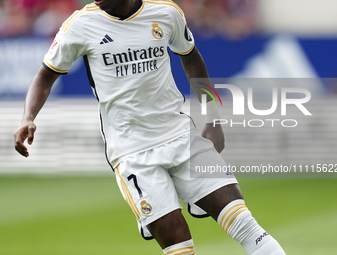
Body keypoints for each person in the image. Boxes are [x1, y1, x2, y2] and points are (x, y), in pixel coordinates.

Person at [13, 1, 286, 254]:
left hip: (181, 135)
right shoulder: (80, 25)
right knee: (180, 247)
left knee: (247, 225)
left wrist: (213, 117)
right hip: (132, 151)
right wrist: (28, 117)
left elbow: (192, 59)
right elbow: (45, 76)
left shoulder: (166, 13)